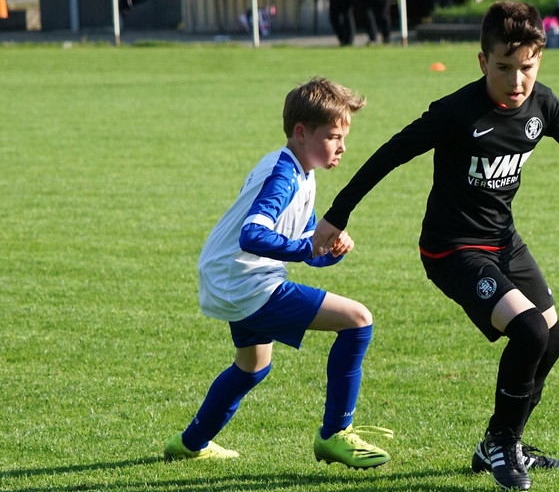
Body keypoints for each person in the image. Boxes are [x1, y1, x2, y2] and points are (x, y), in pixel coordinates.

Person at [311, 1, 559, 492]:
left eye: (527, 68)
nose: (517, 81)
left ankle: (498, 439)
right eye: (504, 67)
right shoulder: (457, 111)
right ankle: (504, 445)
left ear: (539, 60)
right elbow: (391, 154)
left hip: (503, 242)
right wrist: (337, 215)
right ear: (482, 62)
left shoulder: (542, 106)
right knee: (529, 331)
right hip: (451, 249)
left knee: (552, 339)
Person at [164, 77, 391, 469]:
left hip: (231, 276)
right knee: (358, 321)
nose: (342, 147)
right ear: (301, 132)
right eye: (333, 137)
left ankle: (190, 443)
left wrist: (329, 250)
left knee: (252, 366)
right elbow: (253, 235)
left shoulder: (298, 170)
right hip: (245, 281)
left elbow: (306, 244)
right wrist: (308, 248)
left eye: (343, 137)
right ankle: (335, 434)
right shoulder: (283, 176)